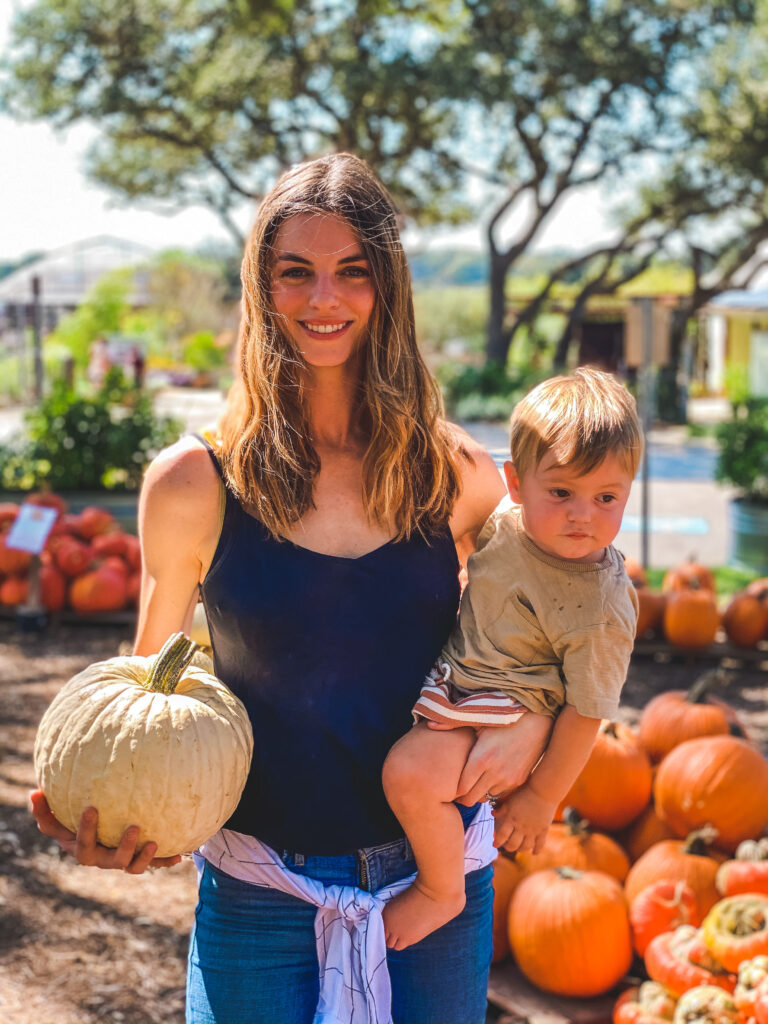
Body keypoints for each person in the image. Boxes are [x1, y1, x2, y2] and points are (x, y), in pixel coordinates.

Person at [30, 152, 553, 1024]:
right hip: (258, 891)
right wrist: (122, 815)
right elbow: (147, 706)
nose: (324, 300)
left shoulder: (457, 475)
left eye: (353, 272)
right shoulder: (194, 484)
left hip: (436, 879)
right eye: (295, 273)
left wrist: (532, 725)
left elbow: (542, 635)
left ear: (388, 289)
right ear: (259, 289)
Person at [381, 367, 641, 950]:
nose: (584, 516)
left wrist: (542, 795)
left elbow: (586, 710)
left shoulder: (600, 603)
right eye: (562, 493)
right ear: (515, 484)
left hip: (506, 704)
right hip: (461, 682)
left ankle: (440, 890)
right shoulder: (503, 527)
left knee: (409, 775)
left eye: (607, 498)